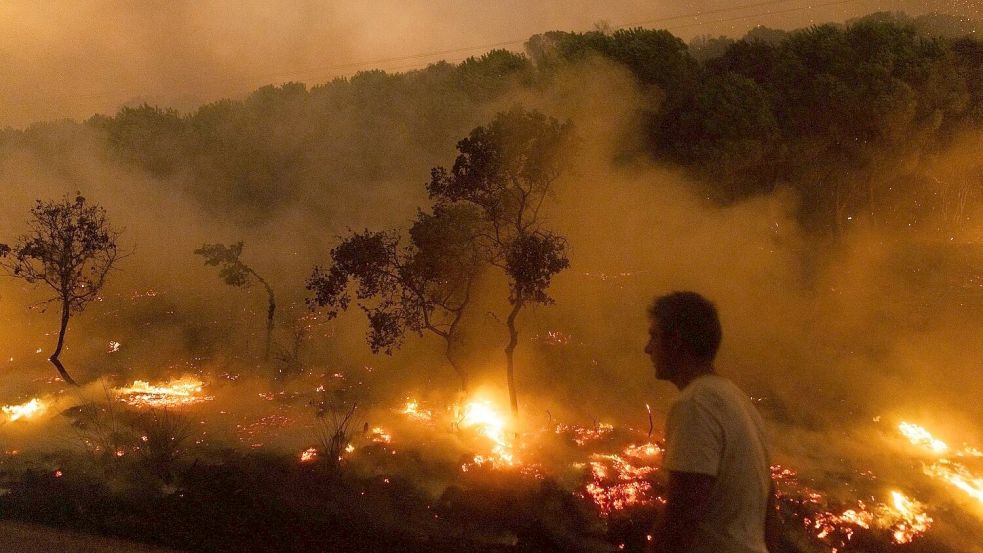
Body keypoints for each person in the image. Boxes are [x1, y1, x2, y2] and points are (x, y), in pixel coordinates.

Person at [644, 291, 779, 553]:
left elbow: (681, 517)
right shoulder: (739, 402)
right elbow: (769, 510)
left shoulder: (695, 404)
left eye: (654, 336)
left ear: (676, 341)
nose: (647, 348)